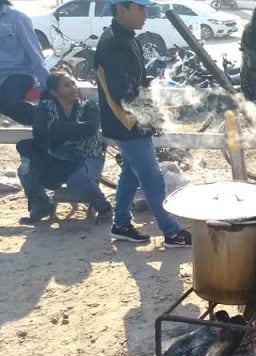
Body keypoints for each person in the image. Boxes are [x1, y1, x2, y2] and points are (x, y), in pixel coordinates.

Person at [94, 0, 191, 247]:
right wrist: (150, 115)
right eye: (140, 8)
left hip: (131, 121)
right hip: (128, 122)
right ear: (121, 9)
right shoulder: (114, 44)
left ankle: (121, 224)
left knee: (130, 173)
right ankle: (171, 232)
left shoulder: (126, 37)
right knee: (152, 178)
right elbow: (123, 93)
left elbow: (135, 82)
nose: (146, 14)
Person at [17, 71, 112, 223]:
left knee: (77, 180)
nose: (73, 88)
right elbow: (39, 132)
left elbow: (90, 129)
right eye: (67, 86)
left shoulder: (88, 105)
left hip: (88, 154)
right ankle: (41, 206)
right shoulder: (46, 107)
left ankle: (104, 208)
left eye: (73, 83)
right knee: (25, 171)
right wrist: (70, 130)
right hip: (57, 156)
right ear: (54, 92)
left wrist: (55, 127)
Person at [0, 0, 48, 126]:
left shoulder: (17, 18)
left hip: (18, 73)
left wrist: (47, 85)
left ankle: (50, 122)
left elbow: (34, 52)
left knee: (8, 102)